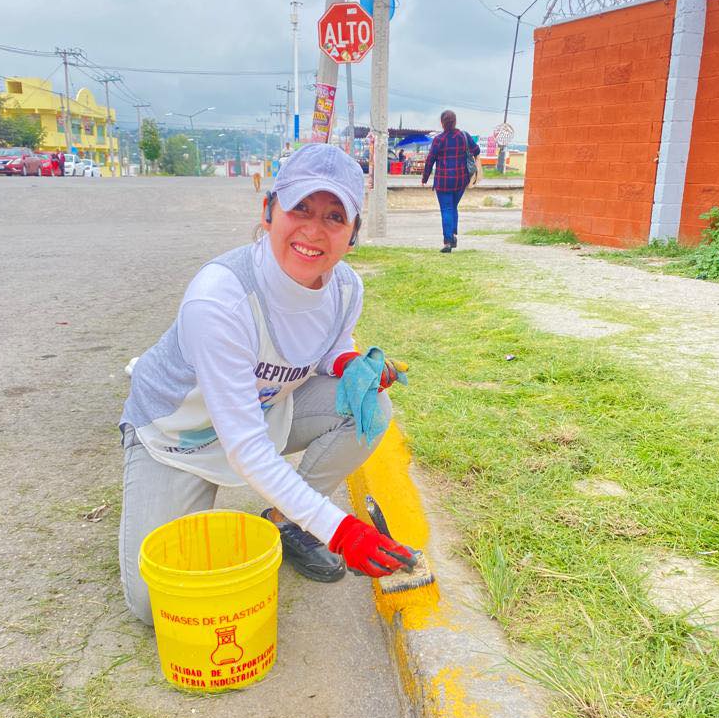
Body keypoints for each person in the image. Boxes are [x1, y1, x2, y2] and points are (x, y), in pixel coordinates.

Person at [119, 143, 414, 626]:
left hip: (261, 411)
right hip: (175, 437)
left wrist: (350, 365)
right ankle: (171, 486)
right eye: (300, 208)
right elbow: (247, 451)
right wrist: (342, 531)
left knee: (367, 409)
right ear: (269, 210)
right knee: (158, 606)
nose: (314, 231)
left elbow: (328, 343)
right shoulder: (221, 297)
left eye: (335, 217)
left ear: (353, 234)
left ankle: (288, 522)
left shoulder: (345, 288)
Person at [421, 110, 481, 253]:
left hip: (443, 181)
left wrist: (425, 178)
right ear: (455, 122)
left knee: (447, 209)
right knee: (453, 207)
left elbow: (430, 160)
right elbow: (476, 150)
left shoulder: (439, 140)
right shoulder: (463, 136)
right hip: (461, 180)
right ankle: (453, 235)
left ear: (442, 123)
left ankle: (448, 241)